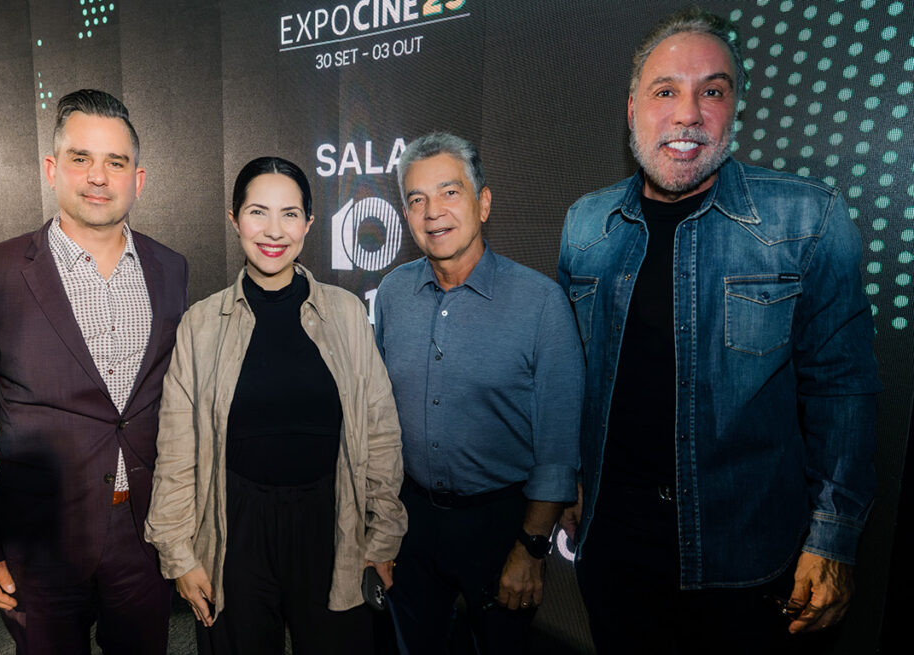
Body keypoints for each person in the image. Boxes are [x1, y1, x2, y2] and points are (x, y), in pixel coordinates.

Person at [557, 9, 881, 654]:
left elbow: (844, 392)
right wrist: (566, 483)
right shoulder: (585, 225)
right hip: (614, 556)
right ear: (631, 110)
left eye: (712, 90)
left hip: (747, 562)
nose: (687, 114)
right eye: (665, 91)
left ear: (733, 109)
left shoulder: (807, 216)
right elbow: (573, 380)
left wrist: (833, 538)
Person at [0, 89, 188, 654]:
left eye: (116, 162)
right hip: (38, 539)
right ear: (52, 169)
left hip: (142, 535)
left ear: (137, 179)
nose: (98, 176)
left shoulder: (171, 269)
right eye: (81, 158)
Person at [144, 156, 406, 654]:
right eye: (257, 212)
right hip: (234, 526)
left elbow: (380, 431)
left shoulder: (347, 314)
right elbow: (178, 449)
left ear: (309, 223)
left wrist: (382, 536)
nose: (273, 230)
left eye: (290, 214)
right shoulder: (201, 324)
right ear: (234, 219)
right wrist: (180, 555)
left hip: (333, 523)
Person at [375, 132, 583, 654]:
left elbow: (558, 450)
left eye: (450, 192)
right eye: (416, 199)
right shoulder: (395, 292)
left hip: (502, 528)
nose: (433, 212)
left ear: (483, 202)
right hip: (412, 522)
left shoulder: (541, 305)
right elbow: (374, 418)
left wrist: (531, 550)